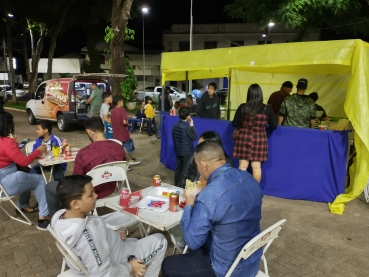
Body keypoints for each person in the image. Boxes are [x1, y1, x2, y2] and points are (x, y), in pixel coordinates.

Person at [161, 141, 263, 277]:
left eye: (197, 165)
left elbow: (192, 242)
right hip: (252, 260)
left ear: (203, 164)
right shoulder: (249, 178)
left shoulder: (209, 195)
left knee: (168, 264)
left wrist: (190, 203)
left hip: (228, 270)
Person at [51, 175, 167, 277]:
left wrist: (111, 236)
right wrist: (129, 268)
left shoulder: (59, 217)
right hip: (118, 261)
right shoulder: (89, 236)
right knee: (160, 240)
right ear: (75, 204)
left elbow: (94, 242)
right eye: (91, 195)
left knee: (134, 239)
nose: (96, 196)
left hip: (112, 251)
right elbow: (103, 275)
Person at [45, 117, 127, 217]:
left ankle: (56, 219)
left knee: (49, 187)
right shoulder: (119, 147)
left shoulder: (84, 153)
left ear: (88, 131)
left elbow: (76, 181)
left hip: (89, 194)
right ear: (104, 129)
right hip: (111, 188)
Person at [0, 110, 50, 230]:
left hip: (3, 181)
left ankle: (22, 205)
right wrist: (38, 151)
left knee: (25, 177)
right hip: (7, 181)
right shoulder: (7, 142)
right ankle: (43, 217)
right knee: (39, 180)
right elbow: (23, 161)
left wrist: (14, 145)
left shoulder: (5, 142)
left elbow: (6, 154)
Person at [232, 84, 277, 182]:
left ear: (249, 94)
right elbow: (273, 126)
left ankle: (240, 189)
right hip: (259, 139)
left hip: (243, 137)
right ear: (260, 94)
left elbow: (235, 123)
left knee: (242, 166)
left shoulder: (243, 107)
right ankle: (254, 191)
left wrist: (243, 123)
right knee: (256, 167)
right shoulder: (267, 109)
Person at [110, 95, 141, 164]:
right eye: (122, 102)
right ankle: (130, 159)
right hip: (123, 133)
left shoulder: (112, 111)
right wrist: (127, 124)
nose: (123, 103)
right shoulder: (122, 110)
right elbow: (124, 122)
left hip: (116, 134)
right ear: (119, 102)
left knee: (119, 148)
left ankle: (121, 161)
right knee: (130, 146)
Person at [172, 107, 197, 188]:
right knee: (185, 170)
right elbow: (194, 137)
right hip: (187, 152)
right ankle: (182, 186)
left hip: (178, 151)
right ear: (188, 116)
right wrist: (192, 125)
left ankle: (176, 185)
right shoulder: (187, 128)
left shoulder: (175, 125)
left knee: (178, 168)